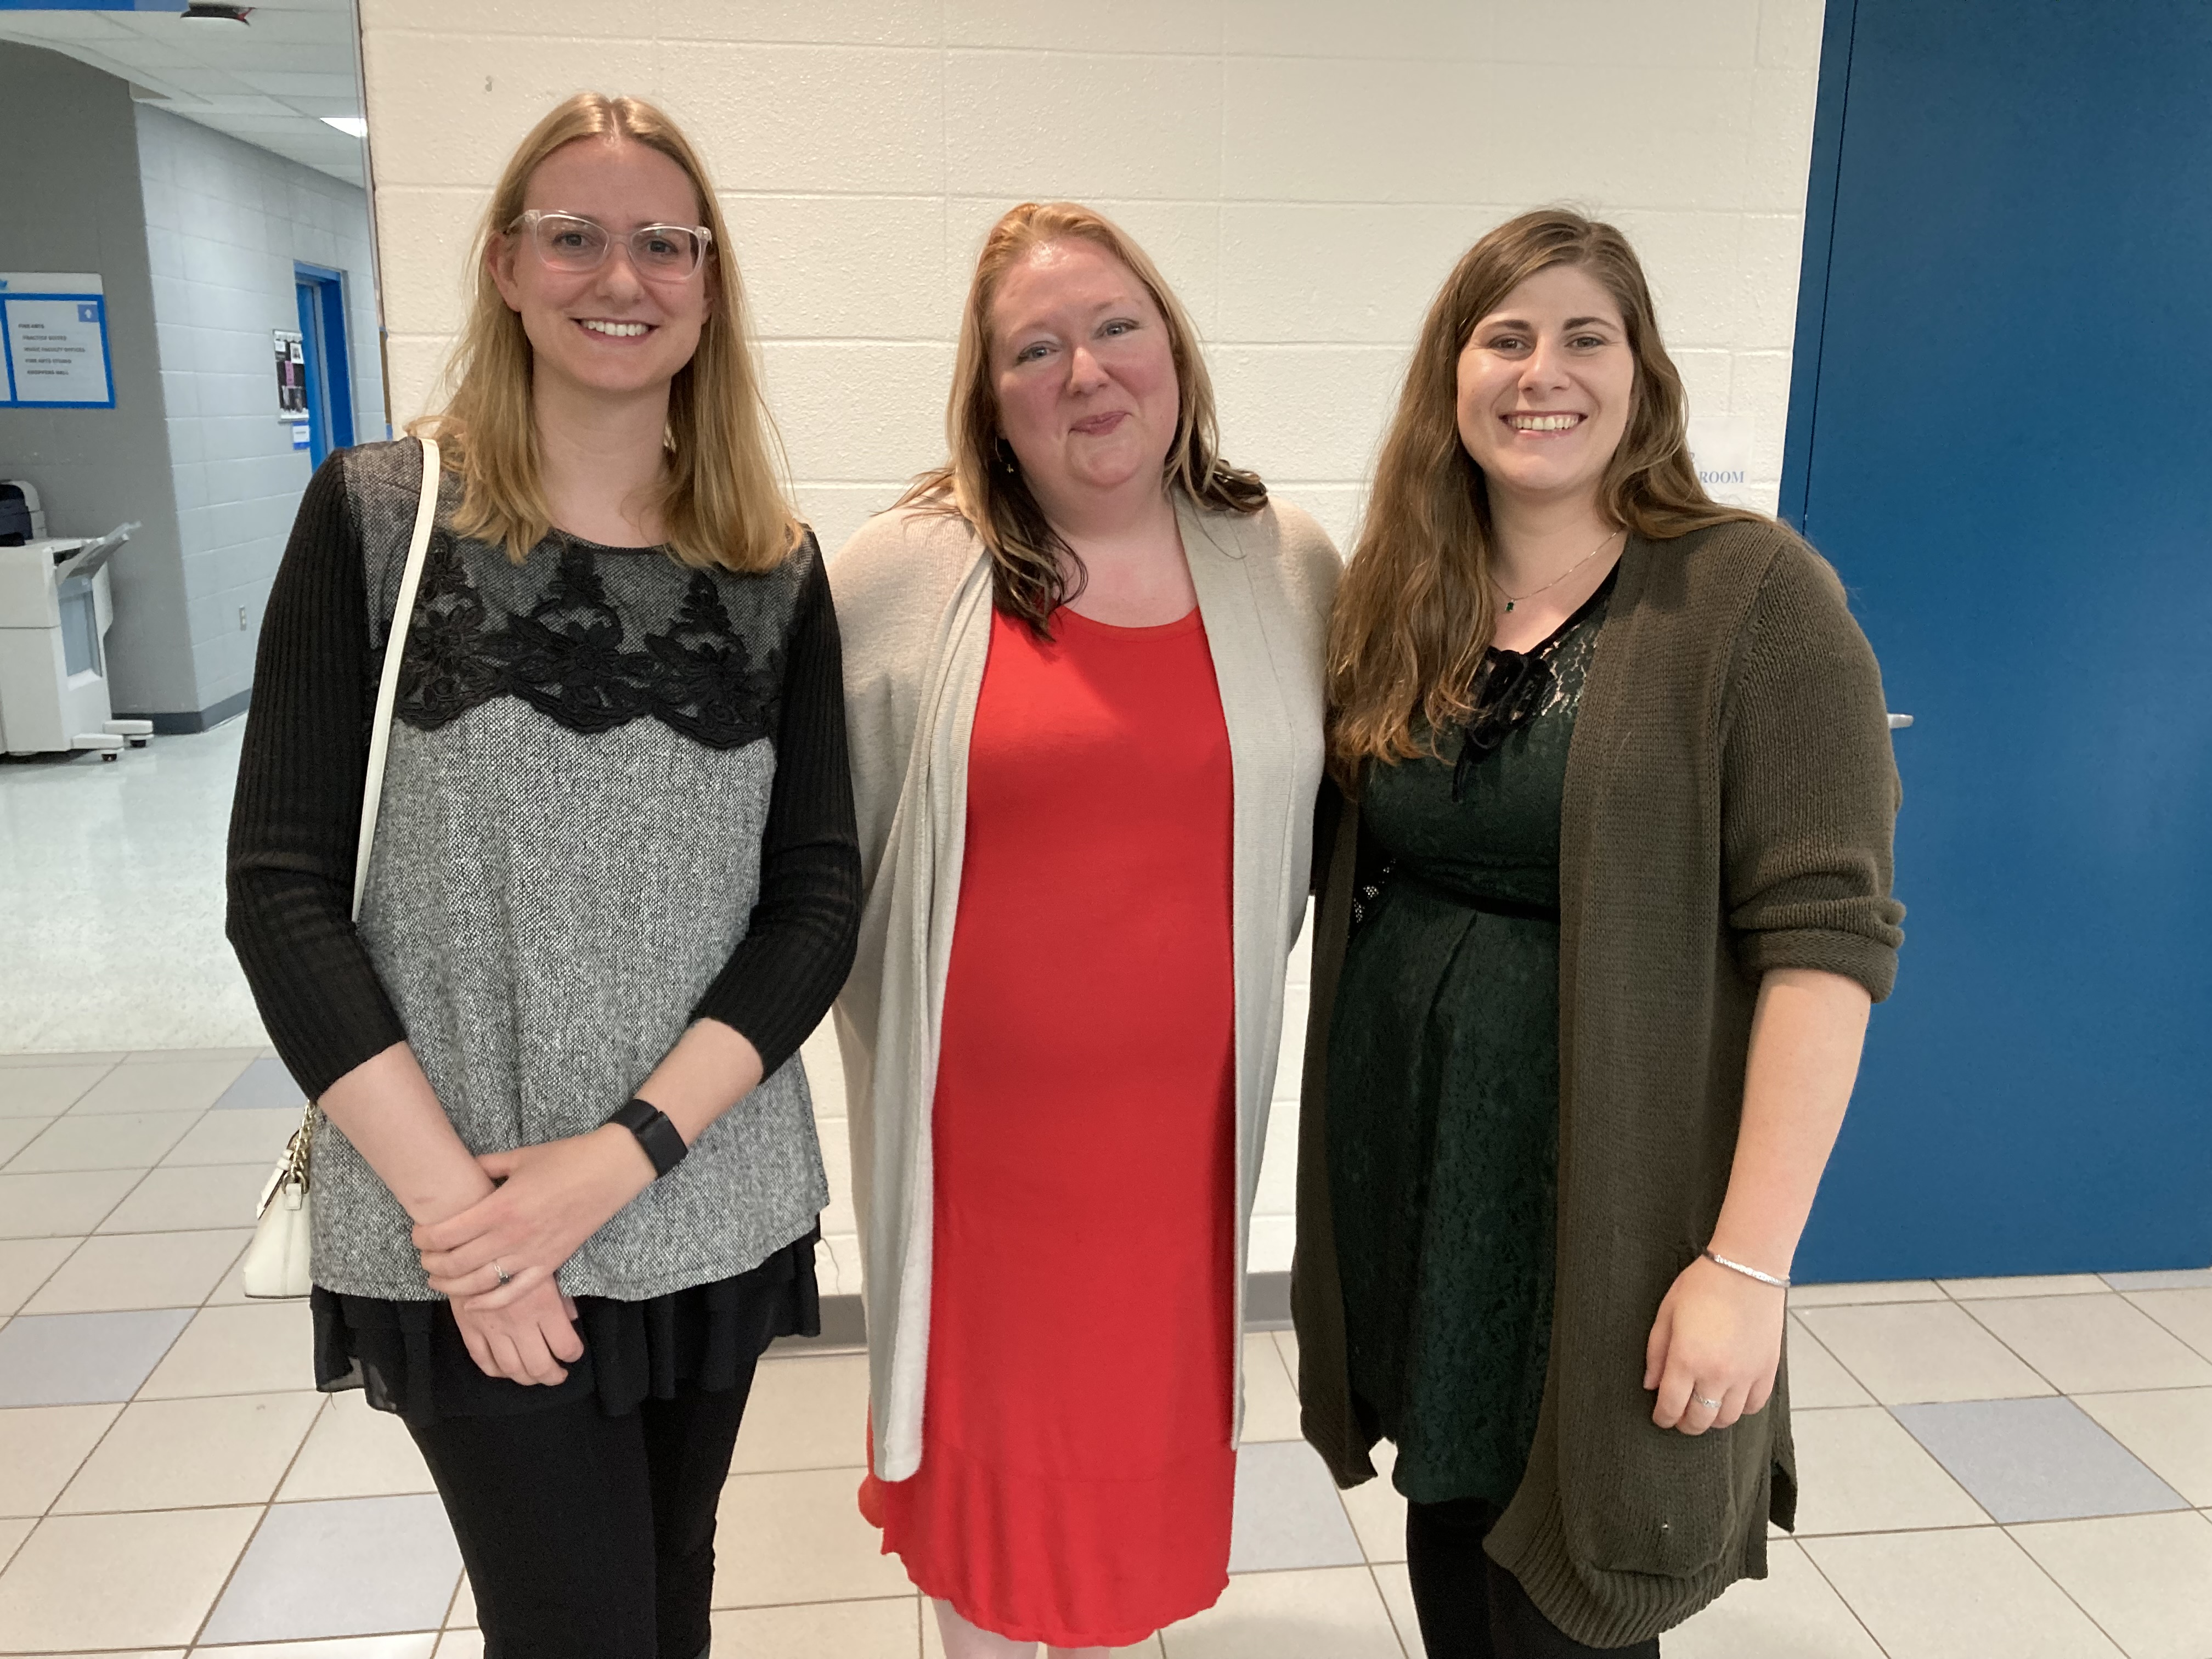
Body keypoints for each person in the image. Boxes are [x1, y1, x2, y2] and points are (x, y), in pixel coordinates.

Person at [225, 92, 859, 1659]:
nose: (617, 275)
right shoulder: (381, 517)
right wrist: (472, 1227)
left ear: (709, 285)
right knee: (574, 1625)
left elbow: (816, 904)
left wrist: (625, 1154)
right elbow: (280, 892)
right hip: (464, 1221)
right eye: (572, 235)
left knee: (669, 1600)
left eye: (663, 242)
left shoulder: (770, 566)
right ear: (505, 264)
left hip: (703, 1197)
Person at [1292, 208, 1905, 1657]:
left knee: (1573, 1596)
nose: (1541, 373)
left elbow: (1827, 948)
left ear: (1643, 373)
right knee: (1452, 1541)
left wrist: (1747, 1269)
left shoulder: (1750, 598)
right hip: (1430, 1193)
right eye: (1505, 337)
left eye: (1585, 337)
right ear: (1452, 375)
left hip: (1613, 1216)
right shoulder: (1407, 601)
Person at [829, 201, 1340, 1657]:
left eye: (1118, 326)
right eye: (1034, 349)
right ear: (989, 404)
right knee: (985, 1563)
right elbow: (821, 861)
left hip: (1174, 1175)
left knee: (1121, 1542)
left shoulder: (1281, 564)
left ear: (1173, 346)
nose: (1086, 372)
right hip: (978, 1175)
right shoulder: (906, 574)